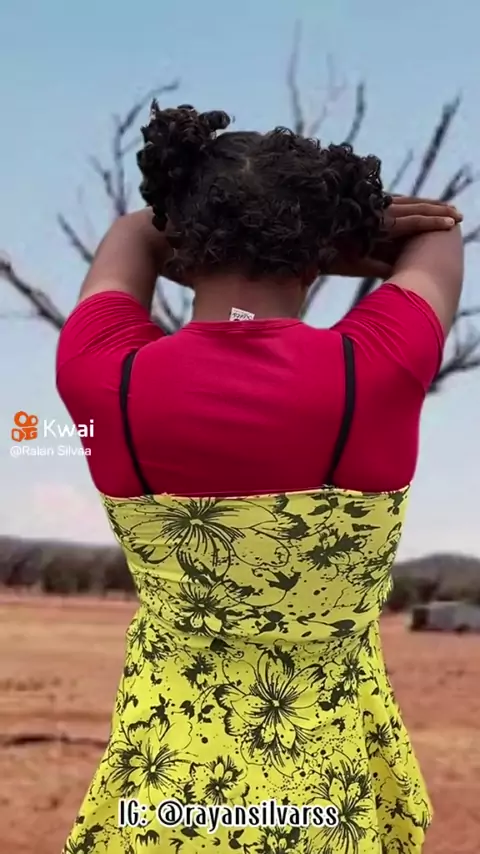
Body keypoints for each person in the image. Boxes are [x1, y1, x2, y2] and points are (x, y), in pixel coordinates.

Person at [56, 102, 464, 854]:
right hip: (323, 793)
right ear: (315, 250)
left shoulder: (101, 375)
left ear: (186, 242)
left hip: (164, 786)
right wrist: (332, 236)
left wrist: (197, 226)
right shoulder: (374, 372)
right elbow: (439, 236)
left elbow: (130, 237)